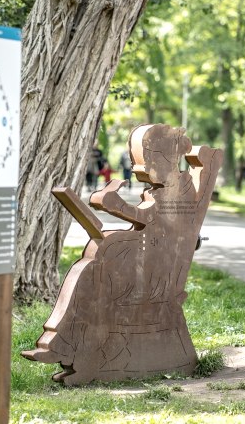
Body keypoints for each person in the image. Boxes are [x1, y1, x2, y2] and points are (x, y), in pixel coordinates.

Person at [23, 124, 223, 385]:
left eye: (146, 159)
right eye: (138, 161)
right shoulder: (163, 187)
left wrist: (115, 205)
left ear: (165, 157)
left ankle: (80, 353)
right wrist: (113, 207)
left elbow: (148, 217)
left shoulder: (179, 186)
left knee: (98, 273)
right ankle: (65, 346)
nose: (141, 168)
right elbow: (146, 219)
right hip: (146, 257)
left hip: (157, 270)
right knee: (89, 270)